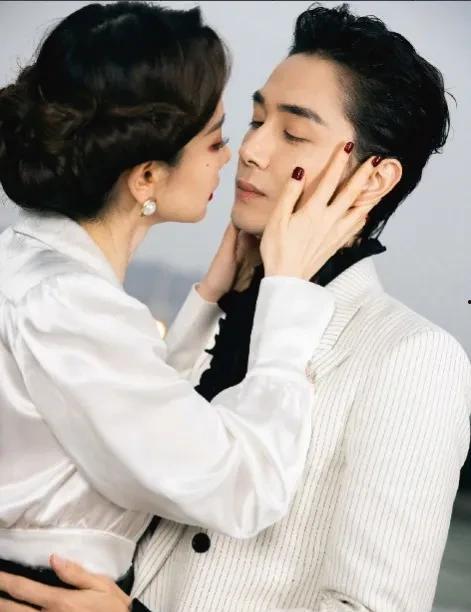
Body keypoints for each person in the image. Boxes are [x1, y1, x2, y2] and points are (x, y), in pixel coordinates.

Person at [3, 3, 469, 612]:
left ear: (374, 179)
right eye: (254, 120)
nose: (249, 150)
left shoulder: (411, 357)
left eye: (293, 134)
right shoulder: (217, 310)